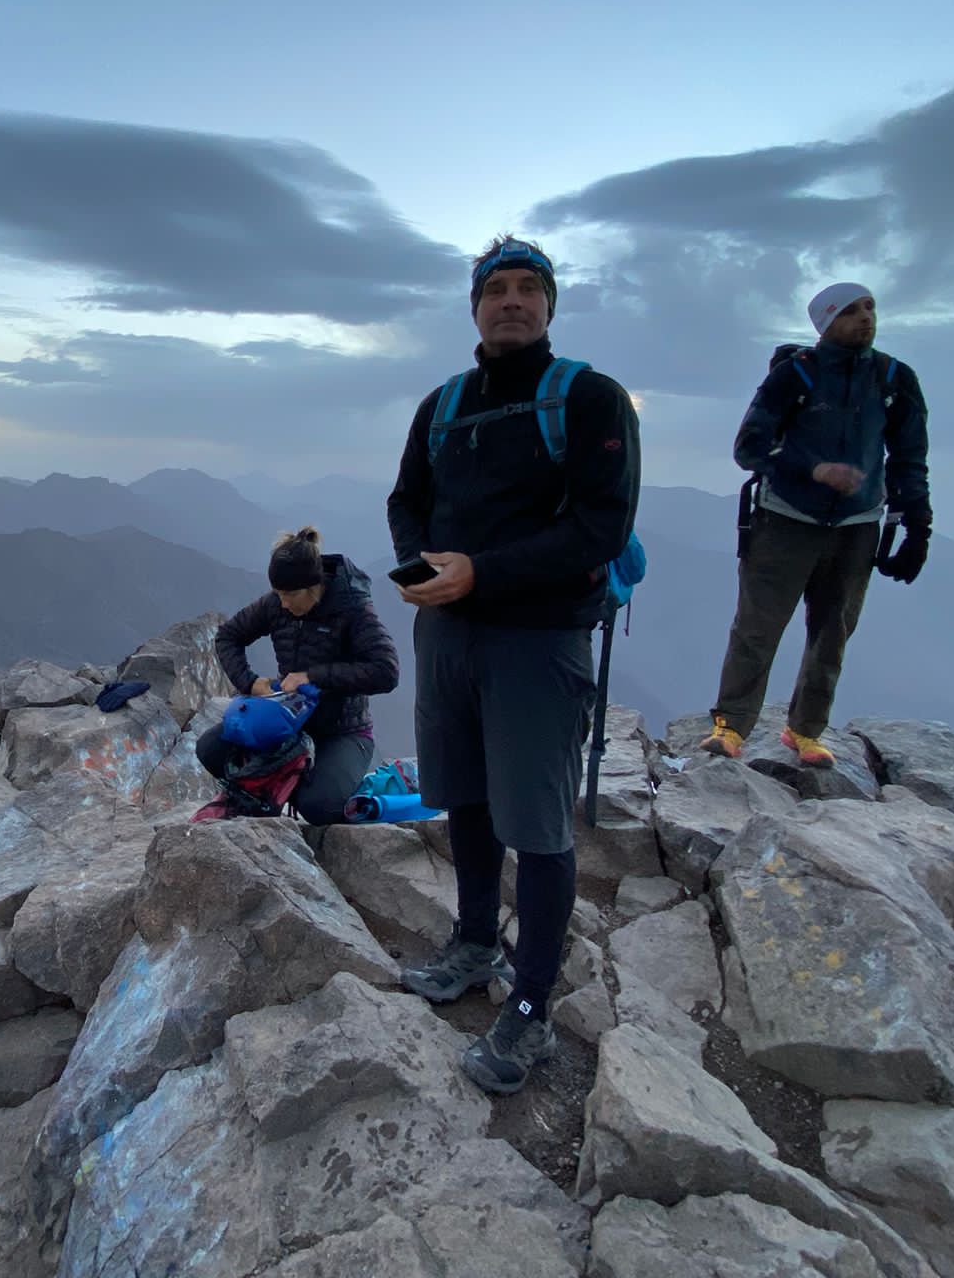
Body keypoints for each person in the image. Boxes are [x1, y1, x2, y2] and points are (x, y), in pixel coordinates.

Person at [387, 234, 641, 1095]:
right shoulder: (444, 405)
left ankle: (530, 1008)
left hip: (538, 641)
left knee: (536, 826)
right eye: (496, 288)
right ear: (475, 307)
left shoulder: (591, 399)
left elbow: (601, 527)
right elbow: (406, 499)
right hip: (449, 635)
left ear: (549, 306)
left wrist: (480, 574)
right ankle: (472, 943)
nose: (512, 301)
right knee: (464, 795)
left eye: (529, 288)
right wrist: (421, 569)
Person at [700, 282, 932, 765]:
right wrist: (814, 470)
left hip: (857, 525)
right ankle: (731, 726)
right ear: (825, 322)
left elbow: (910, 457)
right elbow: (749, 447)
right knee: (758, 626)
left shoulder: (894, 379)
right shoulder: (795, 375)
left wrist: (917, 528)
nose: (865, 317)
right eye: (850, 311)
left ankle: (806, 731)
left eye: (869, 307)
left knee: (833, 631)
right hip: (785, 519)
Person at [203, 527, 401, 824]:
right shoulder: (277, 603)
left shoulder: (352, 607)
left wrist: (313, 676)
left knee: (319, 807)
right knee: (211, 749)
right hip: (288, 722)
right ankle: (274, 789)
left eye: (290, 595)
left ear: (313, 586)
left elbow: (386, 671)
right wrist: (250, 682)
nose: (283, 603)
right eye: (279, 594)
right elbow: (228, 636)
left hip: (344, 730)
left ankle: (357, 789)